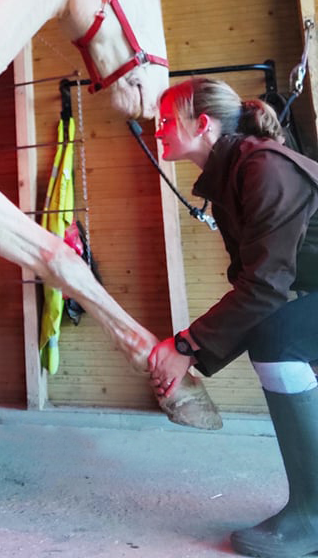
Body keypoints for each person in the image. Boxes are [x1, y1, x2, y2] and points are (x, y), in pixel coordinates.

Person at [148, 77, 318, 558]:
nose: (157, 130)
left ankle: (313, 516)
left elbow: (265, 287)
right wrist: (189, 351)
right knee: (276, 336)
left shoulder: (262, 168)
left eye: (165, 120)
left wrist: (185, 347)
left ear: (201, 125)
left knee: (278, 341)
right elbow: (256, 286)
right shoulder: (232, 176)